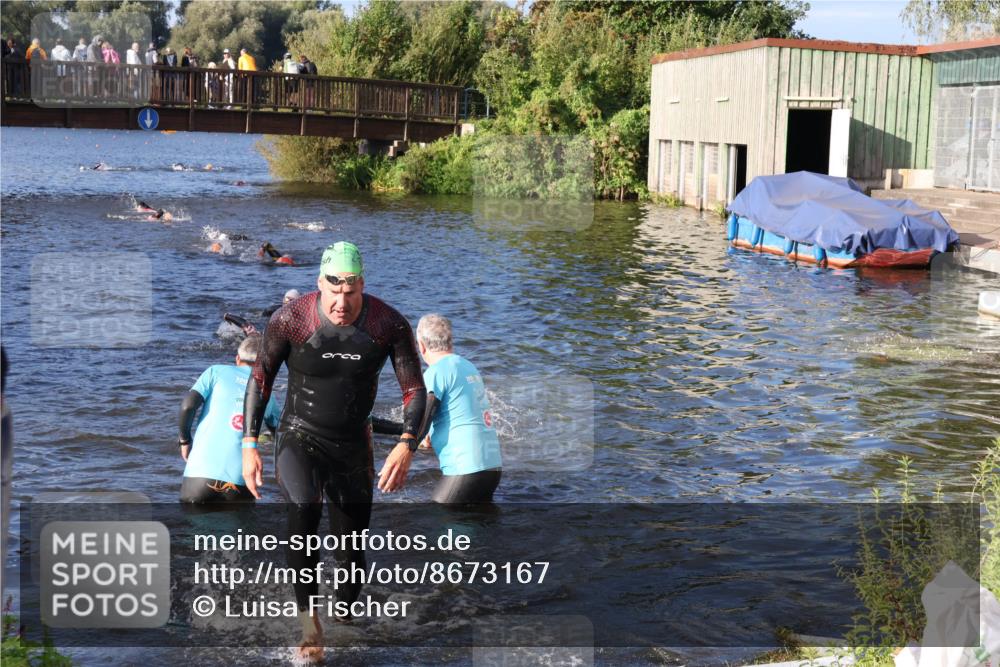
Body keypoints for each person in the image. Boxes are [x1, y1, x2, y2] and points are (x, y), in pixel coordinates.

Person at [241, 242, 429, 662]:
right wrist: (249, 445)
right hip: (299, 435)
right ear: (319, 284)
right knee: (304, 509)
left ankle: (342, 618)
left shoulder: (387, 324)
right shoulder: (290, 318)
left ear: (362, 284)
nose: (342, 303)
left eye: (351, 291)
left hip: (352, 446)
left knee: (351, 549)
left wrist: (406, 444)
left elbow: (416, 392)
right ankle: (310, 624)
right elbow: (261, 380)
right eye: (333, 291)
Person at [178, 335, 280, 503]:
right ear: (263, 364)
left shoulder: (215, 371)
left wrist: (185, 440)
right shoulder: (266, 391)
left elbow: (187, 406)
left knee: (193, 528)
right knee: (240, 529)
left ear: (237, 358)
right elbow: (280, 433)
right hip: (242, 480)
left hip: (198, 477)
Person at [415, 314, 502, 503]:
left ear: (420, 345)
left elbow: (422, 422)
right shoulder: (468, 366)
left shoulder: (435, 373)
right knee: (478, 526)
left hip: (466, 468)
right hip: (493, 467)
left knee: (439, 519)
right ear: (450, 341)